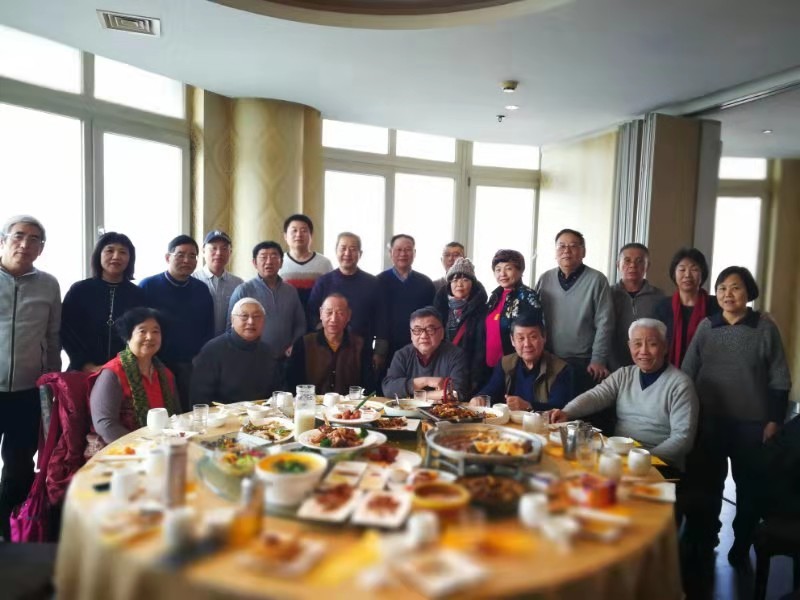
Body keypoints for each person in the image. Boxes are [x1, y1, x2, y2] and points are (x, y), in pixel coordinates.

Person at [681, 266, 791, 567]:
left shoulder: (764, 328)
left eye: (735, 287)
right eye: (722, 288)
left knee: (749, 488)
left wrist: (774, 420)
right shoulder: (707, 326)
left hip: (752, 425)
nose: (728, 294)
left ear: (748, 292)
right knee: (708, 485)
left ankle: (743, 541)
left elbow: (780, 378)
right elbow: (687, 372)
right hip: (709, 421)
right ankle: (706, 538)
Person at [550, 318, 698, 471]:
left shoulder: (680, 384)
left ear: (665, 347)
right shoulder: (624, 375)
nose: (644, 351)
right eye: (637, 344)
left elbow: (683, 438)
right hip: (619, 457)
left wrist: (642, 458)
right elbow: (596, 396)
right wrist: (567, 412)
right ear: (629, 346)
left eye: (652, 344)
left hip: (659, 464)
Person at [0, 215, 61, 539]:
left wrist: (51, 382)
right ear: (3, 241)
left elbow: (52, 337)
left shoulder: (48, 285)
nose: (25, 244)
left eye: (34, 239)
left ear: (41, 249)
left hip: (26, 392)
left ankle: (10, 533)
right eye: (18, 236)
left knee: (19, 466)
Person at [138, 235, 214, 410]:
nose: (186, 260)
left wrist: (201, 357)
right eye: (180, 255)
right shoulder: (148, 286)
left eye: (192, 256)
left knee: (189, 410)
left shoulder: (201, 289)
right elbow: (137, 328)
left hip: (191, 364)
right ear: (168, 257)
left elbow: (208, 327)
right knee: (160, 411)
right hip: (156, 362)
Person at [535, 229, 614, 394]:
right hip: (549, 359)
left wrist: (598, 359)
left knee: (577, 407)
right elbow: (535, 319)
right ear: (555, 252)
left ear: (583, 251)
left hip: (583, 361)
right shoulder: (545, 279)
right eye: (561, 246)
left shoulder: (597, 280)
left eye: (573, 246)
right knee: (549, 406)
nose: (567, 251)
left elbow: (605, 323)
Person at [89, 307, 179, 444]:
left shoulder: (166, 374)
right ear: (127, 336)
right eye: (142, 331)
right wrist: (143, 444)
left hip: (162, 444)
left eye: (155, 331)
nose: (150, 337)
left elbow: (176, 415)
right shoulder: (113, 373)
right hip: (121, 447)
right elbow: (105, 424)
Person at [61, 232, 145, 372]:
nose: (116, 256)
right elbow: (67, 331)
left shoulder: (138, 295)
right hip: (82, 371)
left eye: (123, 252)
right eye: (109, 250)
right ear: (98, 255)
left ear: (130, 259)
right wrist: (85, 365)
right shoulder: (80, 290)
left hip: (125, 371)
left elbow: (141, 334)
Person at [306, 232, 386, 371]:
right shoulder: (324, 282)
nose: (347, 253)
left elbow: (382, 319)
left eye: (353, 249)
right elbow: (312, 314)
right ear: (336, 251)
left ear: (360, 254)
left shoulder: (373, 283)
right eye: (343, 248)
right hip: (328, 350)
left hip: (363, 350)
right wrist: (328, 331)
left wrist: (380, 351)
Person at [473, 313, 573, 412]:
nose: (527, 344)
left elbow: (559, 407)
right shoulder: (505, 363)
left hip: (542, 422)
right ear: (512, 340)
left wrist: (528, 406)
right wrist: (480, 398)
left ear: (544, 337)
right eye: (521, 338)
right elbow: (491, 390)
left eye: (533, 337)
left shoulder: (560, 369)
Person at [228, 241, 306, 366]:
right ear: (254, 263)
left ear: (281, 262)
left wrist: (294, 345)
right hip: (252, 360)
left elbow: (300, 324)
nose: (269, 262)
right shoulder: (243, 290)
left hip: (286, 360)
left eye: (274, 257)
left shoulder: (290, 291)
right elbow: (230, 327)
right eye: (263, 257)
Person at [190, 298, 280, 405]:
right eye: (244, 316)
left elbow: (278, 394)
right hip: (222, 414)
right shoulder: (212, 350)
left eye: (256, 316)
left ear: (263, 321)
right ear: (232, 320)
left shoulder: (268, 352)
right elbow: (199, 399)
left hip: (263, 414)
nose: (251, 322)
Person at [288, 294, 373, 395]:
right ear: (321, 313)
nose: (333, 319)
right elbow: (292, 384)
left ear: (348, 316)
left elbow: (368, 386)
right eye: (329, 313)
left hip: (349, 404)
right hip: (312, 403)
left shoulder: (360, 345)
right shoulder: (304, 344)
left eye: (340, 313)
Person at [376, 234, 436, 371]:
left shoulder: (425, 283)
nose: (403, 254)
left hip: (419, 345)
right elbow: (376, 318)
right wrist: (379, 350)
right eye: (398, 249)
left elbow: (432, 318)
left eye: (408, 249)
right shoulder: (379, 282)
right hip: (387, 347)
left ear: (414, 253)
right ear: (390, 253)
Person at [382, 307, 468, 402]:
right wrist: (425, 381)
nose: (423, 336)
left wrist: (416, 395)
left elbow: (457, 393)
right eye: (417, 330)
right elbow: (388, 389)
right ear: (411, 334)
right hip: (408, 410)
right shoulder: (402, 355)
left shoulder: (456, 355)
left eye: (430, 329)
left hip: (443, 410)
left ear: (442, 333)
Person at [655, 247, 720, 367]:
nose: (687, 275)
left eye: (694, 269)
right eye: (682, 269)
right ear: (674, 274)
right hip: (670, 371)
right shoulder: (662, 307)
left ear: (703, 274)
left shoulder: (716, 305)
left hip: (708, 369)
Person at [432, 257, 488, 395]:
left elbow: (481, 348)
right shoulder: (439, 307)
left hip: (468, 369)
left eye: (465, 279)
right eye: (455, 280)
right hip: (442, 366)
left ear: (473, 284)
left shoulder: (482, 310)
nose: (459, 284)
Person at [609, 243, 665, 370]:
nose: (633, 265)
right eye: (627, 260)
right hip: (612, 365)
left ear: (647, 266)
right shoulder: (607, 295)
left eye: (639, 261)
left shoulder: (659, 297)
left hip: (648, 363)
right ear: (618, 265)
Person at [484, 249, 542, 370]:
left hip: (514, 365)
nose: (502, 274)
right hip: (490, 364)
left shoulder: (527, 296)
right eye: (498, 269)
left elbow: (531, 334)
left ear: (520, 270)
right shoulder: (495, 296)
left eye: (508, 268)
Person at [193, 230, 244, 337]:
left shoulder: (238, 283)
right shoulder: (192, 280)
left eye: (224, 249)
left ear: (230, 253)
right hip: (198, 342)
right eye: (213, 248)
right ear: (203, 251)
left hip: (228, 343)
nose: (219, 253)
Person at [278, 214, 333, 309]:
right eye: (294, 230)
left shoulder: (324, 263)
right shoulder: (278, 262)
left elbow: (331, 293)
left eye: (304, 231)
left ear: (311, 235)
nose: (299, 235)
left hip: (316, 315)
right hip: (287, 315)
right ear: (285, 236)